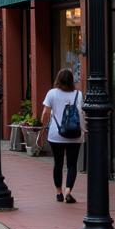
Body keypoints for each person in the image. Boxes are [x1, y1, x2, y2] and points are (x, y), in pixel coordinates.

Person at [40, 69, 83, 200]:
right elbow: (82, 113)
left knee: (58, 163)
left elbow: (46, 113)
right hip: (75, 134)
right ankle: (68, 191)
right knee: (72, 164)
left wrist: (43, 124)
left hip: (56, 134)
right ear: (71, 80)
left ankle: (59, 192)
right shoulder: (78, 94)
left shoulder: (52, 93)